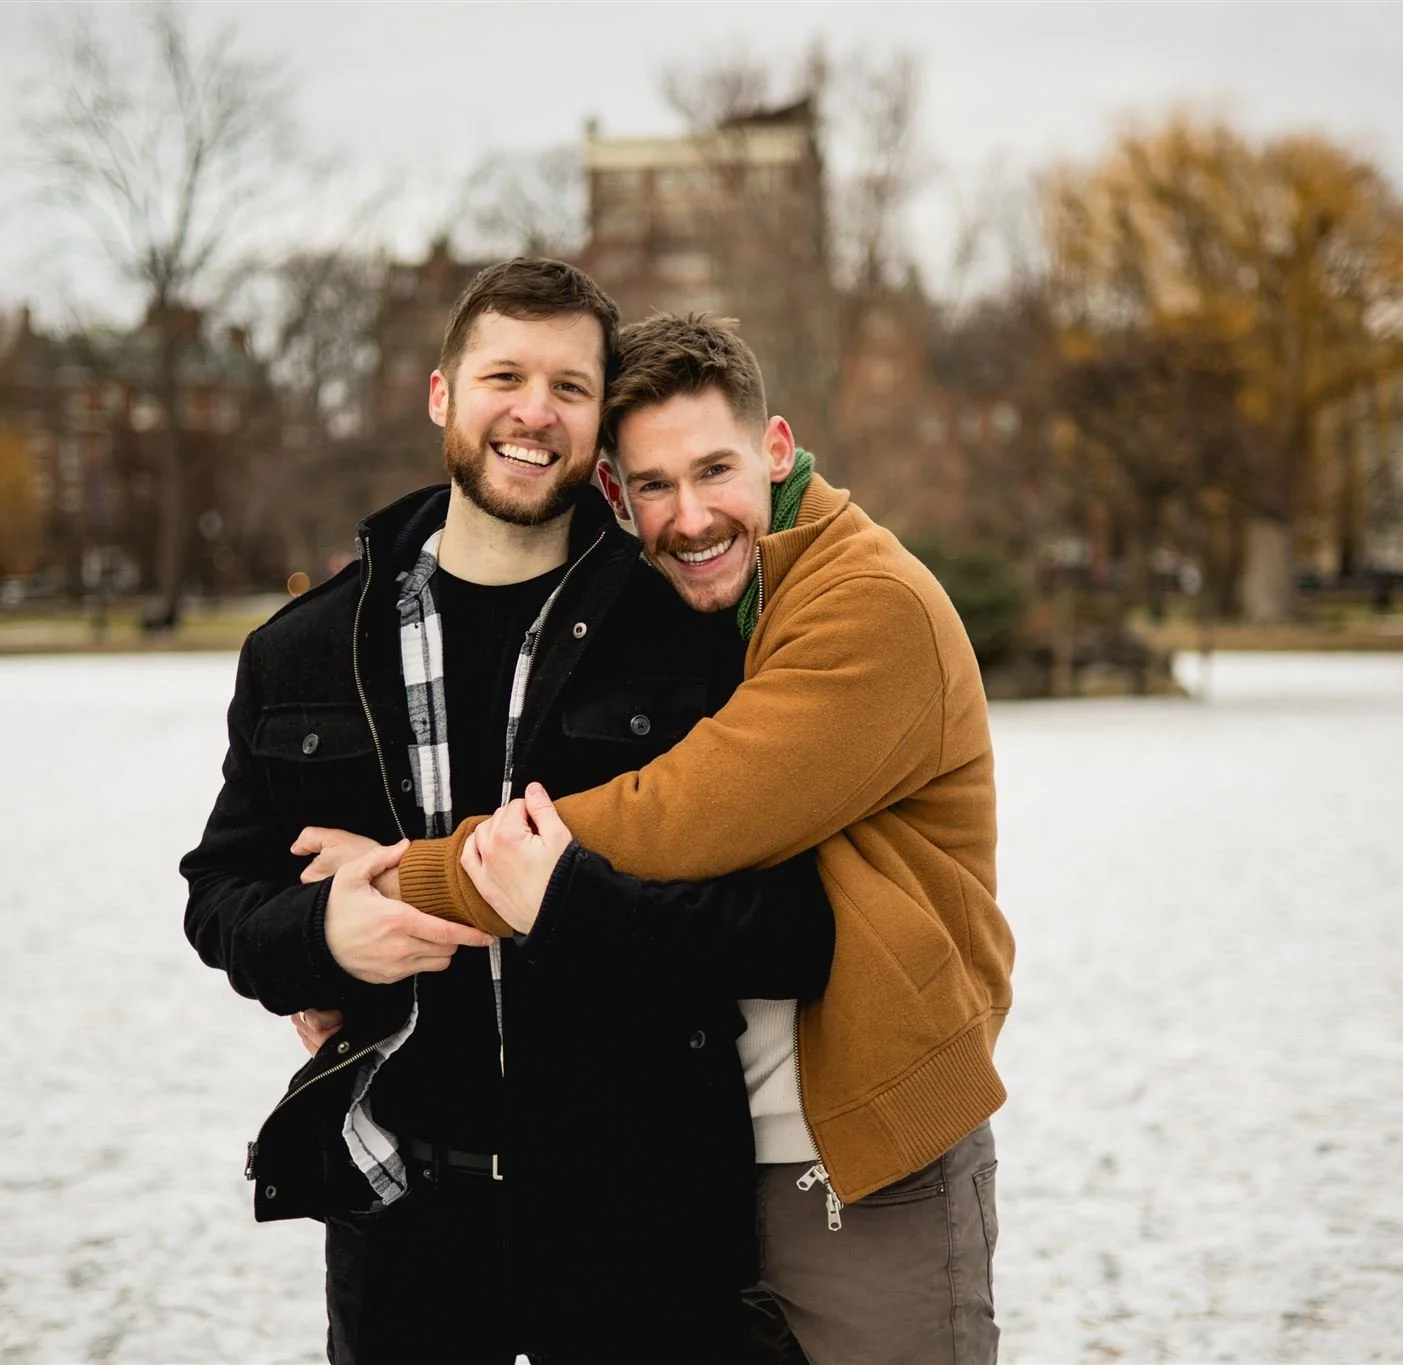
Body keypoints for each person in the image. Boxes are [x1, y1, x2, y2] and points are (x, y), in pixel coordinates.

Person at [320, 312, 1015, 1364]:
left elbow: (680, 812)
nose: (688, 516)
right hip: (707, 1163)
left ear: (776, 451)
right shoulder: (695, 611)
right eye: (651, 485)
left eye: (715, 471)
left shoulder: (866, 605)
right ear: (615, 494)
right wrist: (324, 944)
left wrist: (407, 881)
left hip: (865, 1155)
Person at [181, 260, 834, 1363]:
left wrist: (558, 901)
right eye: (503, 376)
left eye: (570, 388)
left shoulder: (686, 639)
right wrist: (323, 938)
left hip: (645, 1230)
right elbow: (219, 900)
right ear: (442, 396)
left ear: (600, 430)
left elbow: (788, 927)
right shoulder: (304, 652)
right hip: (403, 1232)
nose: (533, 411)